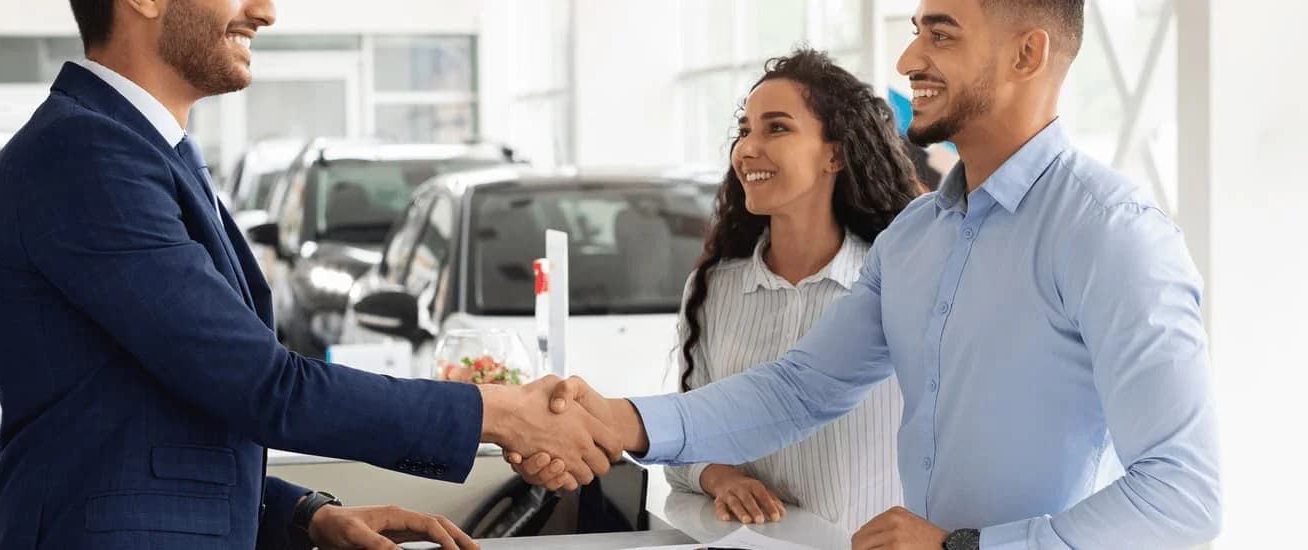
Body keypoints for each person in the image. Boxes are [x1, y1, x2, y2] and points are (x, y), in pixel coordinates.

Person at [510, 1, 1222, 548]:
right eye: (916, 29)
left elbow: (1183, 490)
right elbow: (801, 388)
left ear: (1026, 54)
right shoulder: (915, 237)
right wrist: (621, 421)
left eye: (941, 34)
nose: (910, 56)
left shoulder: (1112, 233)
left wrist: (966, 548)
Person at [0, 1, 620, 549]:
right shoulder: (88, 158)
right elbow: (263, 385)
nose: (266, 12)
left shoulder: (132, 150)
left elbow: (149, 417)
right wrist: (501, 413)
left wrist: (303, 513)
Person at [659, 49, 917, 530]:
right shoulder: (714, 287)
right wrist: (721, 478)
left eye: (776, 128)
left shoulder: (902, 281)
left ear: (835, 154)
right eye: (744, 131)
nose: (747, 149)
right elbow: (685, 440)